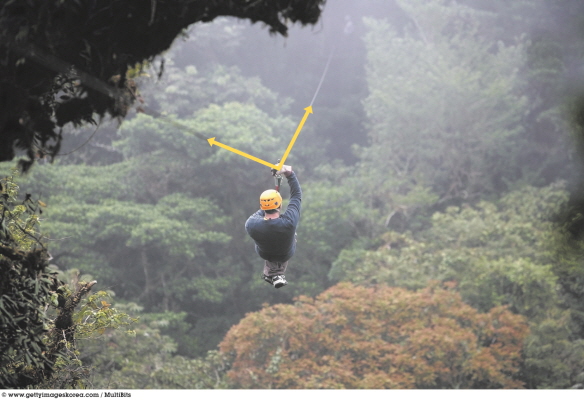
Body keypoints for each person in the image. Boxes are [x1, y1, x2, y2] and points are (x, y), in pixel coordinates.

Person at [245, 165, 301, 288]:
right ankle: (276, 274)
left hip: (264, 253)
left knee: (269, 239)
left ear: (262, 206)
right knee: (292, 235)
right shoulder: (289, 223)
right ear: (280, 205)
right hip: (285, 253)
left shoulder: (251, 224)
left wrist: (269, 203)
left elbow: (261, 212)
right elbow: (296, 196)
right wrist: (290, 174)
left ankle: (272, 274)